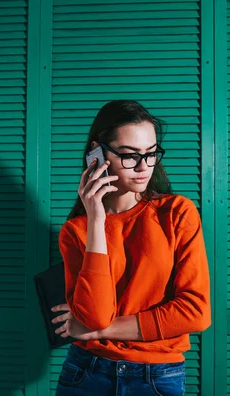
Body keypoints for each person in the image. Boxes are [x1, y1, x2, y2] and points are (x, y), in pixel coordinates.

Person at [50, 100, 211, 396]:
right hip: (86, 372)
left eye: (151, 154)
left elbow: (196, 313)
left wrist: (100, 332)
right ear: (97, 153)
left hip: (157, 376)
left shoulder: (177, 213)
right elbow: (96, 315)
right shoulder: (76, 230)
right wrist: (97, 218)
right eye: (129, 156)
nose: (143, 167)